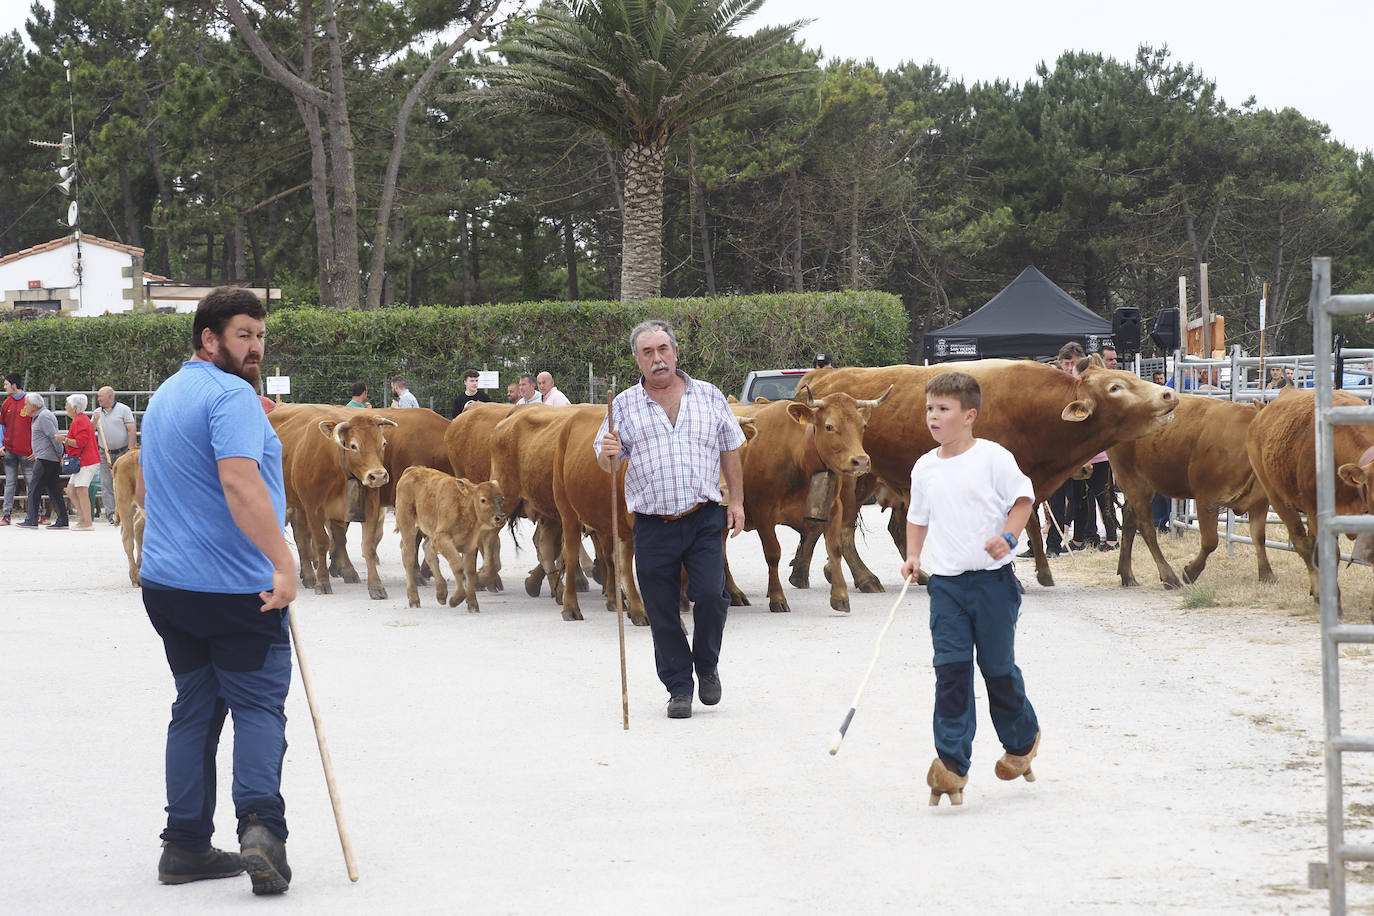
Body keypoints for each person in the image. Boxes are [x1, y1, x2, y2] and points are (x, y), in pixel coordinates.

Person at [136, 286, 296, 894]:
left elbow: (153, 490)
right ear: (209, 338)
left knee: (195, 710)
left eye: (259, 336)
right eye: (243, 336)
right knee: (257, 707)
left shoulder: (168, 393)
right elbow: (238, 484)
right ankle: (262, 833)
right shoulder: (231, 395)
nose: (255, 348)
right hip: (235, 589)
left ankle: (183, 847)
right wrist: (283, 563)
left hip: (168, 586)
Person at [899, 370, 1040, 806]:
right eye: (929, 409)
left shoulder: (993, 457)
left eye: (943, 410)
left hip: (993, 583)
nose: (933, 418)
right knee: (952, 673)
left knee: (998, 672)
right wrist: (913, 556)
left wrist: (1010, 538)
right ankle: (951, 765)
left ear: (969, 415)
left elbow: (1023, 501)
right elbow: (917, 517)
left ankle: (1022, 741)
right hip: (945, 587)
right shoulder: (924, 467)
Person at [595, 319, 746, 719]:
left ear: (676, 352)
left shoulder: (709, 395)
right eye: (648, 352)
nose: (657, 359)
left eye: (663, 349)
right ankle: (679, 687)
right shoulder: (624, 404)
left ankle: (707, 664)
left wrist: (738, 502)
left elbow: (731, 448)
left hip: (703, 517)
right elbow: (606, 462)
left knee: (712, 596)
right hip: (651, 523)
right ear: (638, 359)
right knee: (661, 610)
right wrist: (608, 451)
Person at [15, 393, 68, 529]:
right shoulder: (40, 416)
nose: (24, 407)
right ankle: (62, 520)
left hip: (47, 459)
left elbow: (54, 438)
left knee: (34, 487)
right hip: (47, 457)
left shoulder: (43, 416)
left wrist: (60, 455)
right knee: (54, 489)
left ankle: (31, 519)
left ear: (33, 405)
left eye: (26, 404)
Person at [92, 386, 137, 523]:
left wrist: (130, 449)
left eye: (101, 396)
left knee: (126, 483)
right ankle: (111, 515)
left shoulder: (124, 409)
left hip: (123, 452)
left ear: (110, 397)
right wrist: (94, 420)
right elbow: (90, 430)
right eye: (98, 396)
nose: (98, 399)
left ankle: (130, 513)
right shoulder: (97, 412)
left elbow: (132, 429)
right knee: (106, 483)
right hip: (105, 452)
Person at [56, 393, 100, 530]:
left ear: (74, 407)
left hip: (86, 461)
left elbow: (79, 443)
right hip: (83, 461)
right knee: (71, 490)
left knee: (80, 490)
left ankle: (87, 521)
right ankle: (84, 519)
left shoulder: (80, 420)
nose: (65, 407)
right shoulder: (81, 419)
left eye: (67, 404)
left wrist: (64, 440)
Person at [1, 372, 36, 525]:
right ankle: (6, 514)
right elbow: (1, 425)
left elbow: (37, 425)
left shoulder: (30, 402)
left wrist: (36, 447)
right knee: (10, 483)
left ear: (14, 385)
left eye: (6, 384)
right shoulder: (6, 403)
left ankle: (35, 513)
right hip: (9, 449)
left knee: (31, 482)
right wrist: (1, 444)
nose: (4, 386)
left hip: (28, 451)